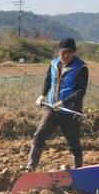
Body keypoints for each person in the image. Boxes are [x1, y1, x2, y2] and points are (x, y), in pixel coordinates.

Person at [27, 38, 88, 171]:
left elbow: (80, 91)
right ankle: (30, 167)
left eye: (69, 52)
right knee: (39, 135)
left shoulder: (81, 68)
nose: (65, 55)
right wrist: (42, 95)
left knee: (73, 143)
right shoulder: (54, 63)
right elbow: (48, 79)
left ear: (74, 52)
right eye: (63, 53)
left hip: (70, 111)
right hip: (52, 108)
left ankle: (79, 170)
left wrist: (63, 102)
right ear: (59, 52)